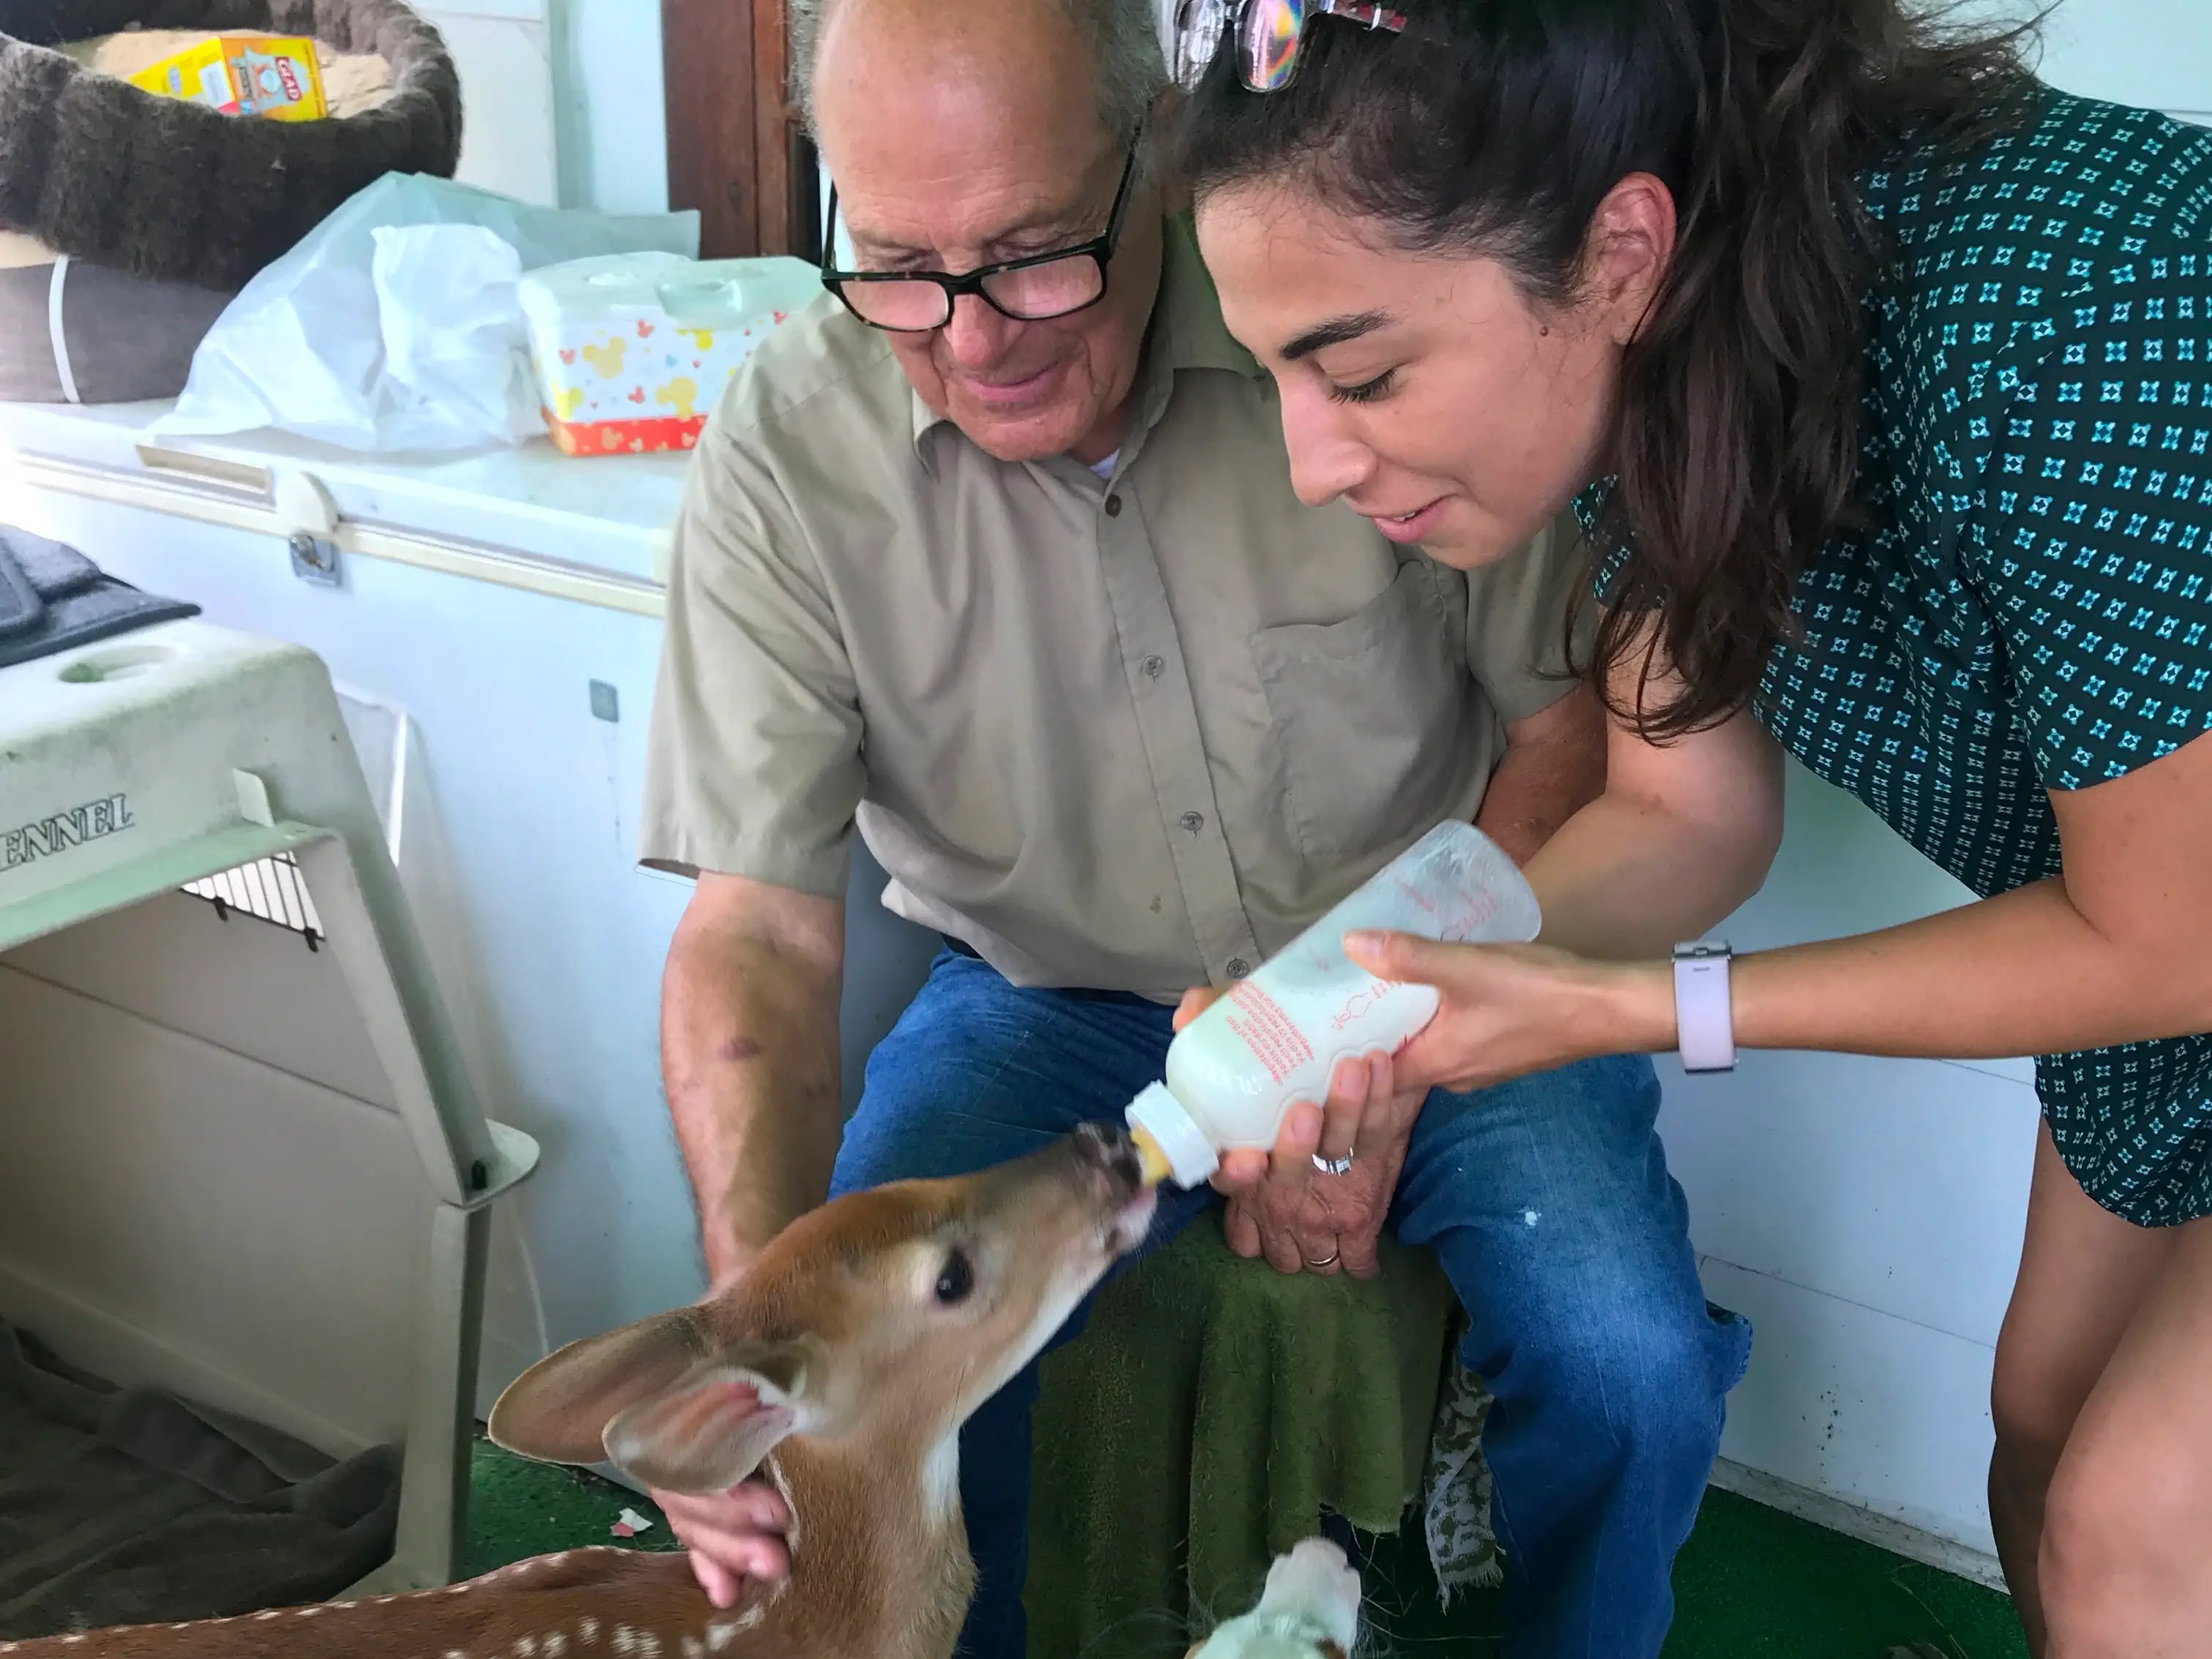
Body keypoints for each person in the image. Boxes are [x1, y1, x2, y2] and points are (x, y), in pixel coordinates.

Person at [636, 0, 1752, 1652]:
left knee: (1625, 1356)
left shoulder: (1340, 325)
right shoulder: (794, 448)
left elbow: (1565, 739)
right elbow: (751, 935)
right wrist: (754, 1337)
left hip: (1436, 954)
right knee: (897, 1382)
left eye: (1031, 253)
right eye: (898, 262)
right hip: (1045, 998)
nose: (973, 337)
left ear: (1156, 148)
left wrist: (1364, 1067)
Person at [1175, 1, 2212, 1652]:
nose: (1312, 460)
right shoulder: (1658, 373)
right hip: (2169, 983)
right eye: (1278, 378)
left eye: (1360, 370)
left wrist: (1643, 1007)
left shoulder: (2068, 306)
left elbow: (2168, 934)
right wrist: (1379, 1002)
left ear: (1620, 247)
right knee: (2045, 1433)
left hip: (2180, 935)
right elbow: (1683, 806)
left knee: (2134, 1534)